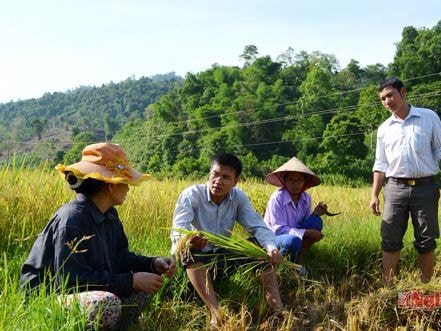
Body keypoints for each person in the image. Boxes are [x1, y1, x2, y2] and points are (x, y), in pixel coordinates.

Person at [20, 142, 177, 329]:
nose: (128, 189)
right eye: (125, 183)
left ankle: (118, 325)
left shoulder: (109, 214)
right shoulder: (72, 220)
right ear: (111, 185)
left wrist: (152, 264)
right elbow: (72, 282)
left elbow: (120, 259)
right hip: (51, 298)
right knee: (106, 302)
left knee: (147, 283)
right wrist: (130, 281)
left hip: (88, 291)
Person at [170, 153, 285, 325]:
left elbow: (257, 225)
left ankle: (279, 309)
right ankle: (216, 313)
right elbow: (178, 231)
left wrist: (271, 247)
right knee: (188, 251)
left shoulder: (238, 197)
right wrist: (189, 239)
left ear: (235, 181)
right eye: (215, 174)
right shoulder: (192, 194)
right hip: (199, 259)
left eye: (225, 177)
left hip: (223, 257)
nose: (218, 181)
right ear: (209, 174)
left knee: (259, 247)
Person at [369, 77, 441, 287]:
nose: (387, 101)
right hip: (394, 188)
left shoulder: (429, 118)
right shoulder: (384, 128)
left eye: (390, 95)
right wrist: (374, 194)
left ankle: (426, 288)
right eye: (382, 99)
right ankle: (389, 288)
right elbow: (380, 163)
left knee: (426, 241)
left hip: (425, 187)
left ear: (403, 92)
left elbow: (439, 150)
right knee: (390, 240)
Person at [263, 156, 326, 269]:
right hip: (274, 238)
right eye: (291, 180)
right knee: (293, 240)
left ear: (304, 182)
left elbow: (305, 221)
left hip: (294, 235)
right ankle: (280, 265)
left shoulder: (306, 198)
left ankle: (297, 261)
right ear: (284, 181)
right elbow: (278, 230)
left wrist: (315, 213)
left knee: (316, 221)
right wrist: (308, 232)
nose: (295, 184)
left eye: (299, 180)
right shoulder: (277, 198)